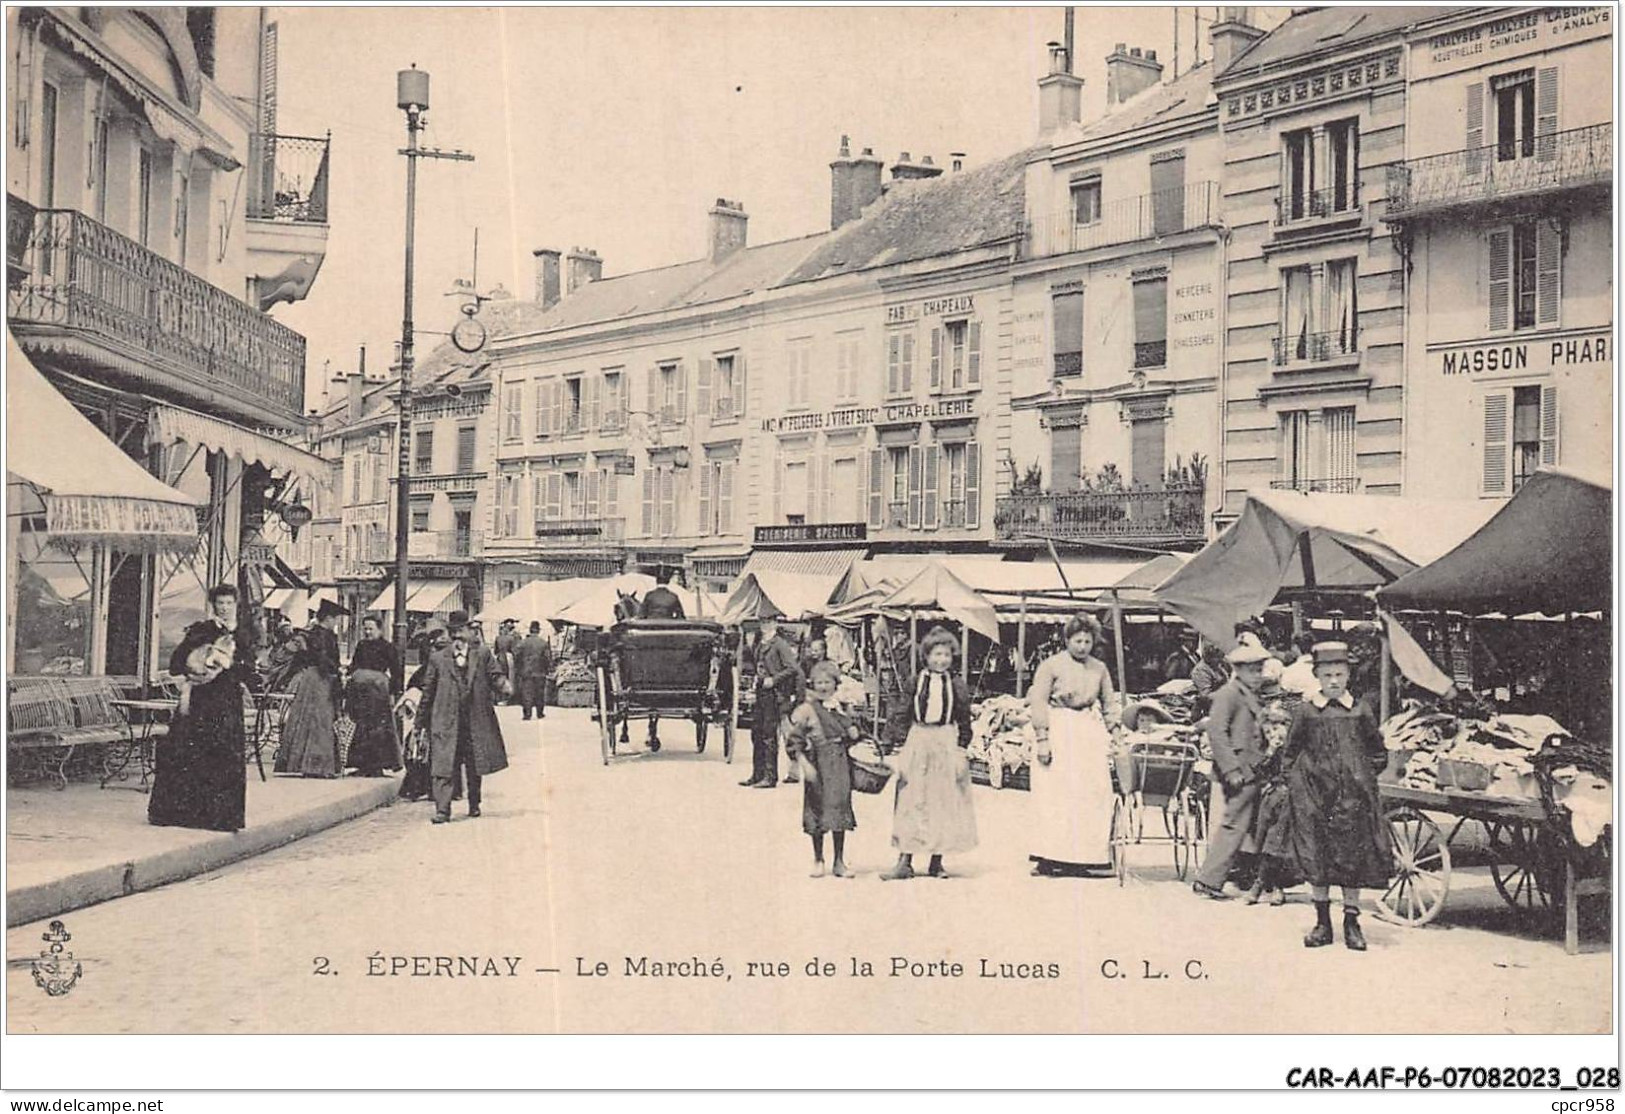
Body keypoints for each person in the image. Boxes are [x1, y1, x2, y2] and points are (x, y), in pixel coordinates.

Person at [1280, 642, 1391, 951]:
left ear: (1348, 675)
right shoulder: (1306, 711)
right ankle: (1322, 923)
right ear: (1316, 675)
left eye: (1339, 674)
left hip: (1351, 801)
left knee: (1351, 857)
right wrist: (1300, 787)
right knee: (1318, 856)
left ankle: (1352, 922)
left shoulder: (1359, 710)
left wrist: (1361, 778)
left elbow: (1378, 753)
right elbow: (1290, 754)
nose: (1333, 681)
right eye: (1327, 674)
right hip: (1314, 800)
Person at [149, 584, 251, 832]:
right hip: (203, 701)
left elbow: (249, 670)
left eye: (229, 603)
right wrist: (197, 668)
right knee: (194, 752)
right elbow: (176, 663)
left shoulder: (244, 634)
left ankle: (221, 816)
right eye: (220, 603)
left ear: (236, 605)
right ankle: (187, 813)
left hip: (228, 701)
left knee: (225, 754)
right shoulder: (202, 630)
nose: (225, 608)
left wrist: (233, 666)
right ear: (213, 605)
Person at [880, 626, 978, 881]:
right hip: (919, 739)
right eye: (936, 655)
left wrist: (961, 748)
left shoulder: (957, 685)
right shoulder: (916, 681)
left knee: (942, 801)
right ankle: (905, 861)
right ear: (926, 656)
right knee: (912, 799)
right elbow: (902, 712)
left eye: (946, 655)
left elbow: (964, 719)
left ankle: (937, 861)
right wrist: (890, 742)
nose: (941, 660)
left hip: (945, 740)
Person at [1027, 613, 1121, 877]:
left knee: (1092, 792)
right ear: (1067, 640)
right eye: (1077, 641)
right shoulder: (1050, 666)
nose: (1082, 646)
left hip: (1087, 733)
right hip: (1058, 728)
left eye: (1087, 641)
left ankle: (1086, 858)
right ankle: (1049, 856)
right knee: (1055, 796)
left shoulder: (1099, 669)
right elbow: (1038, 702)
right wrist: (1043, 739)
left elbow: (1109, 702)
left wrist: (1115, 732)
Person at [1190, 632, 1273, 900]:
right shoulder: (1229, 694)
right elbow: (1217, 732)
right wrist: (1231, 770)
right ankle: (1209, 880)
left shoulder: (1247, 694)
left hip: (1251, 769)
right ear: (1238, 670)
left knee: (1247, 825)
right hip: (1238, 770)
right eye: (1252, 670)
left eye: (1260, 669)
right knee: (1234, 825)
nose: (1258, 675)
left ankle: (1243, 876)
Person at [419, 610, 511, 823]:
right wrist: (420, 722)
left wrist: (503, 685)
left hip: (474, 720)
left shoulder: (483, 654)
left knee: (474, 763)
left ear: (469, 632)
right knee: (444, 765)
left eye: (461, 632)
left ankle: (474, 803)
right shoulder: (438, 658)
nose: (458, 637)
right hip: (446, 720)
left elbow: (494, 675)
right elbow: (428, 691)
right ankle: (442, 810)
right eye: (454, 633)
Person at [785, 660, 860, 878]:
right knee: (816, 809)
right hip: (817, 762)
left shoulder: (841, 707)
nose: (823, 686)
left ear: (836, 684)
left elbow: (853, 736)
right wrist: (804, 763)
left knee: (839, 809)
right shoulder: (807, 710)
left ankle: (839, 861)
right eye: (819, 682)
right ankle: (818, 859)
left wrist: (852, 725)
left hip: (839, 763)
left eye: (827, 682)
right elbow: (795, 740)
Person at [277, 599, 347, 778]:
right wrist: (336, 671)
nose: (337, 623)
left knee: (306, 719)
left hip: (310, 678)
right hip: (321, 678)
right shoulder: (325, 635)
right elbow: (324, 658)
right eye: (336, 619)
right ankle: (319, 766)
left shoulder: (312, 633)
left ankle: (303, 763)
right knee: (321, 720)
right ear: (329, 619)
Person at [740, 617, 803, 789]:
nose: (764, 625)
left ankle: (770, 776)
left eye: (768, 622)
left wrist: (774, 680)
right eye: (762, 622)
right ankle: (757, 774)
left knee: (769, 735)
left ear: (775, 624)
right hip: (762, 692)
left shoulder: (779, 644)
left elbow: (792, 668)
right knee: (756, 733)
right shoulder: (761, 643)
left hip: (774, 694)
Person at [346, 616, 402, 777]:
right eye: (365, 628)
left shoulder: (388, 647)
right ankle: (362, 764)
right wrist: (348, 673)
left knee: (379, 728)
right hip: (360, 693)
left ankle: (378, 765)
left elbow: (396, 671)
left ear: (380, 629)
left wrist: (393, 693)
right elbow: (355, 665)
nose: (368, 632)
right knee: (361, 726)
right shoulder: (361, 645)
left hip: (378, 692)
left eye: (371, 628)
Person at [397, 623, 448, 802]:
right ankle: (427, 787)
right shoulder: (430, 669)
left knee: (424, 750)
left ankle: (422, 787)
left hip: (433, 715)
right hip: (430, 715)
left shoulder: (428, 669)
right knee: (424, 750)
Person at [512, 620, 553, 720]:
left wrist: (519, 667)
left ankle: (527, 714)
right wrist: (547, 669)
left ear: (530, 630)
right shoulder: (543, 643)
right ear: (538, 630)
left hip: (526, 671)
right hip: (540, 672)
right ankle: (540, 713)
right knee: (539, 693)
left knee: (527, 693)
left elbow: (516, 655)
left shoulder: (523, 643)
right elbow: (547, 658)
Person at [1278, 632, 1321, 697]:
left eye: (1292, 646)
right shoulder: (1322, 668)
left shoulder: (1290, 670)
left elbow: (1284, 688)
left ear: (1296, 647)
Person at [493, 619, 520, 699]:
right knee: (510, 677)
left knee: (499, 676)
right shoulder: (511, 639)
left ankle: (499, 696)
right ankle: (508, 696)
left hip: (499, 658)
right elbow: (514, 651)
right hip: (508, 658)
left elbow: (495, 650)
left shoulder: (498, 638)